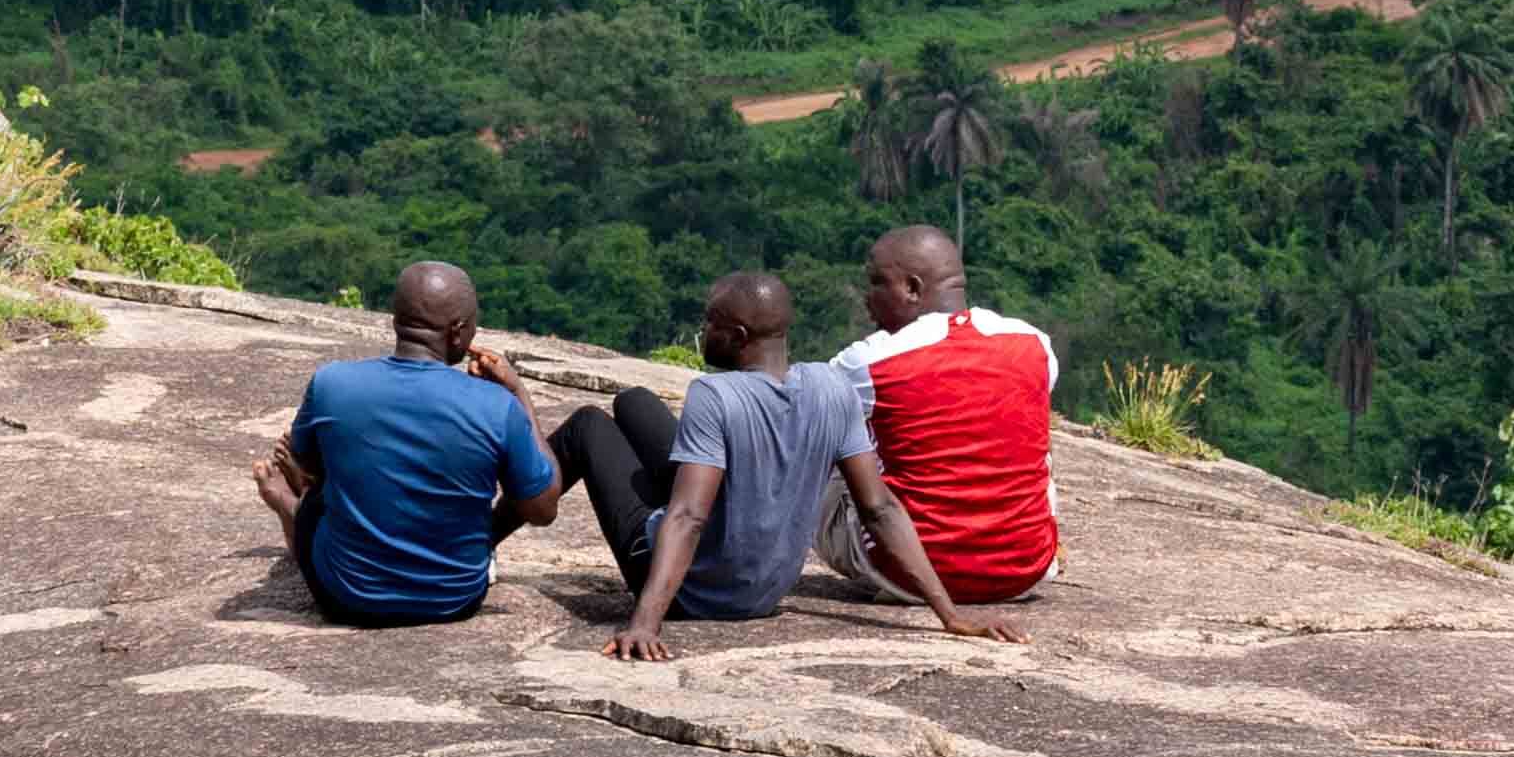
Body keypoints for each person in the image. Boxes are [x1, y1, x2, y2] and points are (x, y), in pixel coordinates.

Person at [555, 271, 1020, 662]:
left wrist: (645, 623)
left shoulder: (713, 396)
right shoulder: (833, 389)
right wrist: (950, 613)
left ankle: (483, 542)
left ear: (737, 338)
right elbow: (879, 508)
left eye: (711, 323)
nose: (704, 330)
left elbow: (689, 517)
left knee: (588, 426)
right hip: (764, 591)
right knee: (633, 402)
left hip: (695, 593)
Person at [258, 261, 563, 626]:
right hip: (453, 598)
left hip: (347, 598)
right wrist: (518, 393)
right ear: (458, 332)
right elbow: (543, 510)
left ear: (395, 320)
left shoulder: (332, 382)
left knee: (317, 494)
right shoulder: (496, 405)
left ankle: (292, 508)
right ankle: (298, 506)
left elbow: (305, 460)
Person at [833, 225, 1063, 604]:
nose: (866, 299)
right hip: (1024, 573)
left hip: (904, 576)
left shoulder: (869, 361)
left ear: (912, 288)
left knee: (833, 441)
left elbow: (803, 412)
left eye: (876, 283)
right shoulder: (1033, 343)